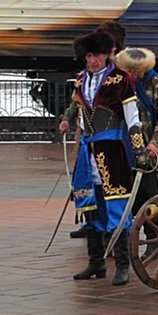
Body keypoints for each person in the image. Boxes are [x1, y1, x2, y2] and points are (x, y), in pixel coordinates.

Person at [65, 29, 149, 286]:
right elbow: (81, 116)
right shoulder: (80, 81)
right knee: (91, 206)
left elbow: (132, 119)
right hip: (88, 153)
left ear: (106, 55)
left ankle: (122, 265)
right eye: (88, 56)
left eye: (97, 56)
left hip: (111, 151)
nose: (92, 61)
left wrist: (139, 151)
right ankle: (96, 263)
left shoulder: (121, 79)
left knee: (117, 207)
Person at [61, 20, 127, 239]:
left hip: (114, 139)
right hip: (88, 137)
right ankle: (93, 226)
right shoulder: (85, 76)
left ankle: (116, 232)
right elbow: (77, 100)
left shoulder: (122, 74)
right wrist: (67, 119)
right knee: (87, 182)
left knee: (114, 188)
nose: (93, 59)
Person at [113, 46, 158, 256]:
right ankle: (118, 240)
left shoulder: (156, 83)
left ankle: (154, 237)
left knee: (148, 195)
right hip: (119, 146)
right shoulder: (114, 83)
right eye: (129, 71)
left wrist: (156, 143)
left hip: (146, 149)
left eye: (136, 71)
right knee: (118, 195)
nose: (133, 75)